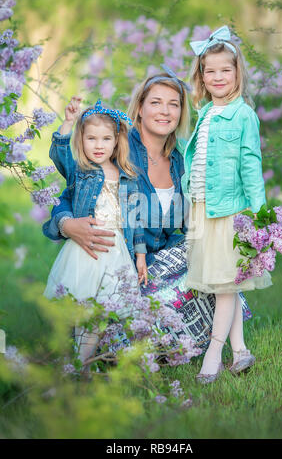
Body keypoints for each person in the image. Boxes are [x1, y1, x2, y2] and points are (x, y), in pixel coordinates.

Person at [43, 66, 253, 355]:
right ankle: (114, 348)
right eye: (156, 102)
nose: (165, 111)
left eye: (174, 104)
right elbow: (73, 189)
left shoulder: (182, 161)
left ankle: (231, 350)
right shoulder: (117, 146)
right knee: (122, 338)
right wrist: (66, 225)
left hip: (155, 264)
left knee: (218, 254)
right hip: (119, 264)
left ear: (181, 112)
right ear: (140, 108)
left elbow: (190, 224)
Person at [182, 26, 272, 384]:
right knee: (225, 283)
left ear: (238, 73)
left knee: (224, 284)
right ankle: (241, 351)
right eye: (210, 70)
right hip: (202, 209)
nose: (218, 76)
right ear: (201, 76)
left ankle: (213, 353)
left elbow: (251, 166)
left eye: (226, 69)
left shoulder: (243, 114)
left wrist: (259, 216)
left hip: (229, 213)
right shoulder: (205, 113)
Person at [44, 96, 147, 368]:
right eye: (91, 139)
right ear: (82, 140)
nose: (98, 145)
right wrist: (67, 122)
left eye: (105, 139)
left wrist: (140, 256)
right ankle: (69, 365)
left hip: (115, 251)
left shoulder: (126, 174)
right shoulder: (80, 170)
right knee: (79, 307)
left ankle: (81, 364)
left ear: (116, 141)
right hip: (86, 250)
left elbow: (136, 221)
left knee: (100, 312)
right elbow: (59, 153)